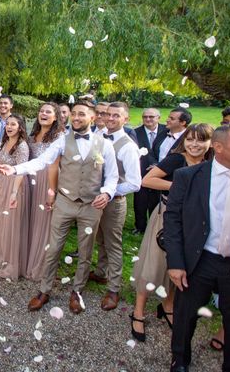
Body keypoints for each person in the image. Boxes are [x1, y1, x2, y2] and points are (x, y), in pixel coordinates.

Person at [0, 100, 118, 314]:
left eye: (82, 114)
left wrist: (107, 192)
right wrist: (15, 169)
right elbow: (42, 161)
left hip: (91, 206)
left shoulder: (105, 144)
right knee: (53, 248)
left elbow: (112, 176)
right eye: (74, 114)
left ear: (92, 117)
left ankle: (77, 291)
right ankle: (44, 290)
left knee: (85, 250)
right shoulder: (63, 141)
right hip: (64, 202)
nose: (77, 117)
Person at [129, 124, 214, 343]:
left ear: (210, 143)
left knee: (179, 266)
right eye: (190, 139)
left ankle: (167, 305)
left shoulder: (211, 164)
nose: (194, 144)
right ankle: (138, 311)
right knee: (154, 264)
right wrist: (180, 185)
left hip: (194, 224)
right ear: (183, 141)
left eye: (200, 140)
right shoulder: (177, 160)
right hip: (167, 219)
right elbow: (147, 180)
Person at [165, 126, 230, 372]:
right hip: (199, 258)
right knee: (185, 315)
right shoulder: (188, 176)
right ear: (219, 147)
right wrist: (175, 262)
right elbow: (172, 220)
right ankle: (180, 360)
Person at [88, 102, 142, 310]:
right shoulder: (98, 138)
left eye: (115, 116)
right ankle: (101, 272)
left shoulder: (128, 146)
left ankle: (114, 288)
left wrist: (109, 192)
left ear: (125, 119)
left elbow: (135, 183)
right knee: (99, 238)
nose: (110, 118)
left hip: (113, 203)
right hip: (93, 200)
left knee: (112, 243)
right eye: (107, 114)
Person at [25, 103, 65, 280]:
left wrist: (52, 190)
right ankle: (27, 258)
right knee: (30, 219)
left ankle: (40, 265)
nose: (43, 114)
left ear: (55, 117)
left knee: (43, 222)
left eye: (48, 112)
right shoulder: (32, 135)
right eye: (41, 111)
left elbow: (54, 166)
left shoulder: (59, 137)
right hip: (29, 181)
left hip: (46, 180)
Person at [0, 114, 30, 279]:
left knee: (11, 224)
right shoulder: (6, 142)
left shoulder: (22, 146)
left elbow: (21, 170)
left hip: (15, 186)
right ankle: (2, 256)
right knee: (1, 221)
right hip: (3, 185)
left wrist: (13, 193)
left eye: (13, 124)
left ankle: (11, 263)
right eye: (7, 124)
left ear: (20, 127)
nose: (9, 127)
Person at [132, 108, 166, 234]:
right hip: (141, 170)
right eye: (145, 117)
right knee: (140, 201)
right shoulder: (135, 132)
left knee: (156, 200)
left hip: (161, 171)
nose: (148, 119)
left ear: (158, 118)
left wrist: (159, 166)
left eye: (151, 117)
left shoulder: (166, 131)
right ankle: (140, 227)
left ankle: (154, 226)